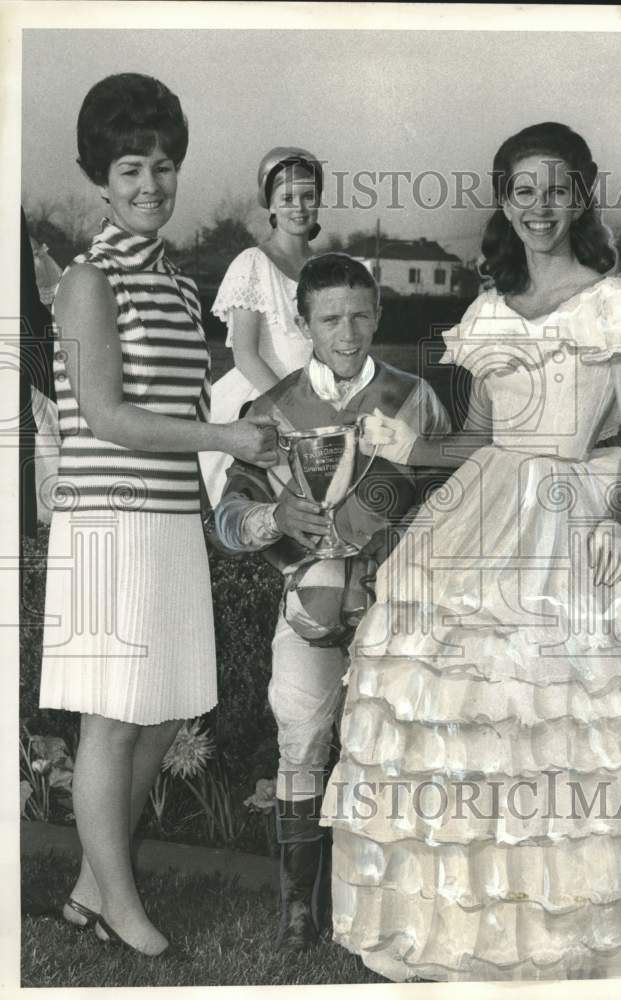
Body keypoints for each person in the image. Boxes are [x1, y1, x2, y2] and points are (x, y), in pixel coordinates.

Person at [320, 122, 621, 981]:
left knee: (594, 699)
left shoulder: (615, 302)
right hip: (491, 507)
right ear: (503, 200)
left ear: (581, 194)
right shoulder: (488, 310)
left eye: (555, 188)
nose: (539, 206)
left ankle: (594, 925)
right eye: (522, 190)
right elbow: (484, 440)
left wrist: (611, 518)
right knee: (460, 696)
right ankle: (483, 931)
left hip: (588, 494)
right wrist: (413, 453)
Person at [39, 73, 277, 958]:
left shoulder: (177, 284)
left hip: (170, 519)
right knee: (110, 716)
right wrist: (223, 434)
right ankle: (118, 901)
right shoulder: (87, 281)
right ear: (99, 177)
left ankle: (90, 887)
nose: (150, 185)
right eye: (131, 167)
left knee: (166, 710)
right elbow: (102, 415)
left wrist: (260, 434)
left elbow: (197, 405)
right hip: (106, 524)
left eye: (165, 166)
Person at [212, 252, 450, 951]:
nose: (346, 334)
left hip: (398, 605)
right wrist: (274, 520)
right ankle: (298, 906)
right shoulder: (275, 407)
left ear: (377, 314)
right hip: (309, 604)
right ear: (302, 322)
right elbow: (227, 518)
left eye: (358, 316)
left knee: (404, 746)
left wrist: (408, 532)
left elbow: (454, 497)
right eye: (329, 319)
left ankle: (400, 902)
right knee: (301, 741)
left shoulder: (413, 396)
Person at [199, 146, 323, 508]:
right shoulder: (252, 263)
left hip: (320, 392)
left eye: (307, 196)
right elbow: (246, 354)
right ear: (270, 205)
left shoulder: (326, 266)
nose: (298, 207)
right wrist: (293, 408)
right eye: (286, 198)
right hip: (265, 392)